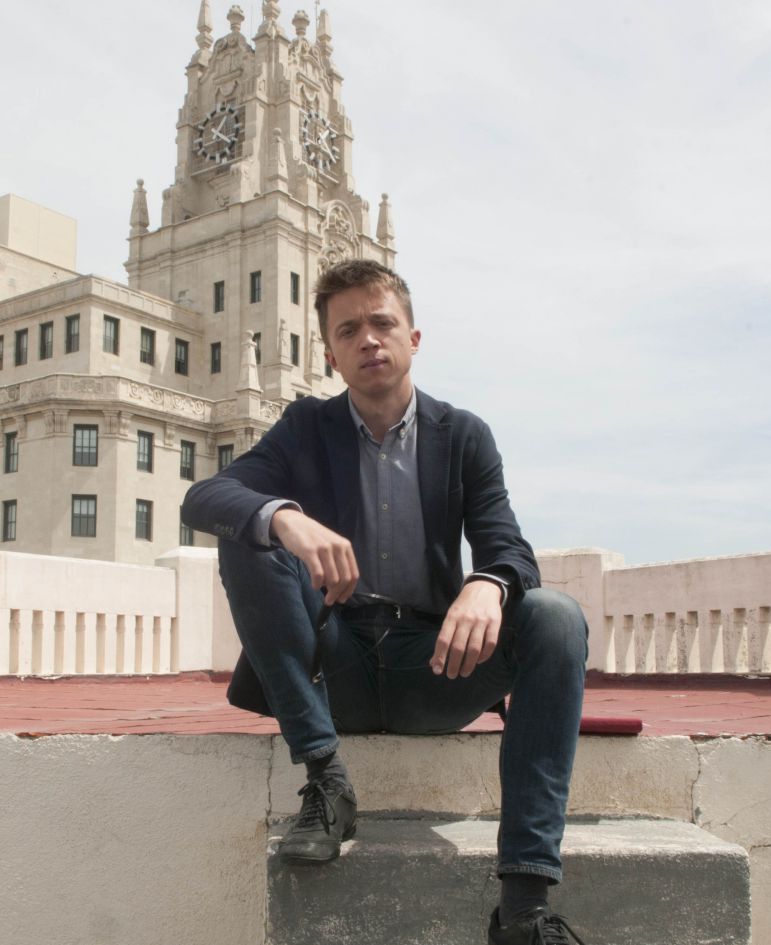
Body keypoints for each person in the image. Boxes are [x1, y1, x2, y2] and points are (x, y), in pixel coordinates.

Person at [181, 259, 589, 945]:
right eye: (349, 329)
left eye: (381, 322)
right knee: (247, 531)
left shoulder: (463, 435)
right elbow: (204, 498)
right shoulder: (306, 426)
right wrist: (286, 516)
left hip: (433, 667)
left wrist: (487, 583)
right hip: (330, 664)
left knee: (556, 616)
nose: (368, 339)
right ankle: (327, 782)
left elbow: (509, 547)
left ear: (413, 337)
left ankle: (523, 907)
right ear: (331, 353)